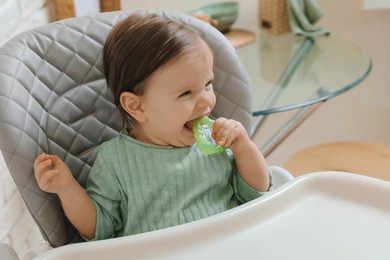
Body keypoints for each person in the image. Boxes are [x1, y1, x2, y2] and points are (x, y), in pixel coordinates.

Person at [34, 11, 272, 241]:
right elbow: (100, 229)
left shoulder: (218, 139)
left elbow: (256, 193)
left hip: (230, 244)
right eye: (186, 93)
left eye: (208, 83)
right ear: (137, 107)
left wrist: (243, 147)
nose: (208, 101)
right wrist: (67, 188)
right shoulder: (115, 159)